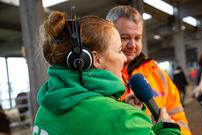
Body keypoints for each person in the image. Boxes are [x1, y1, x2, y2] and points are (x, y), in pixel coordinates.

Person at [33, 11, 181, 135]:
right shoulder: (121, 118)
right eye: (119, 50)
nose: (124, 57)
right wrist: (168, 130)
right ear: (96, 59)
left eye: (137, 38)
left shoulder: (44, 109)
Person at [106, 5, 191, 135]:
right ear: (109, 36)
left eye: (137, 38)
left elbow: (179, 119)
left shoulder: (158, 73)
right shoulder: (99, 76)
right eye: (124, 38)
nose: (132, 45)